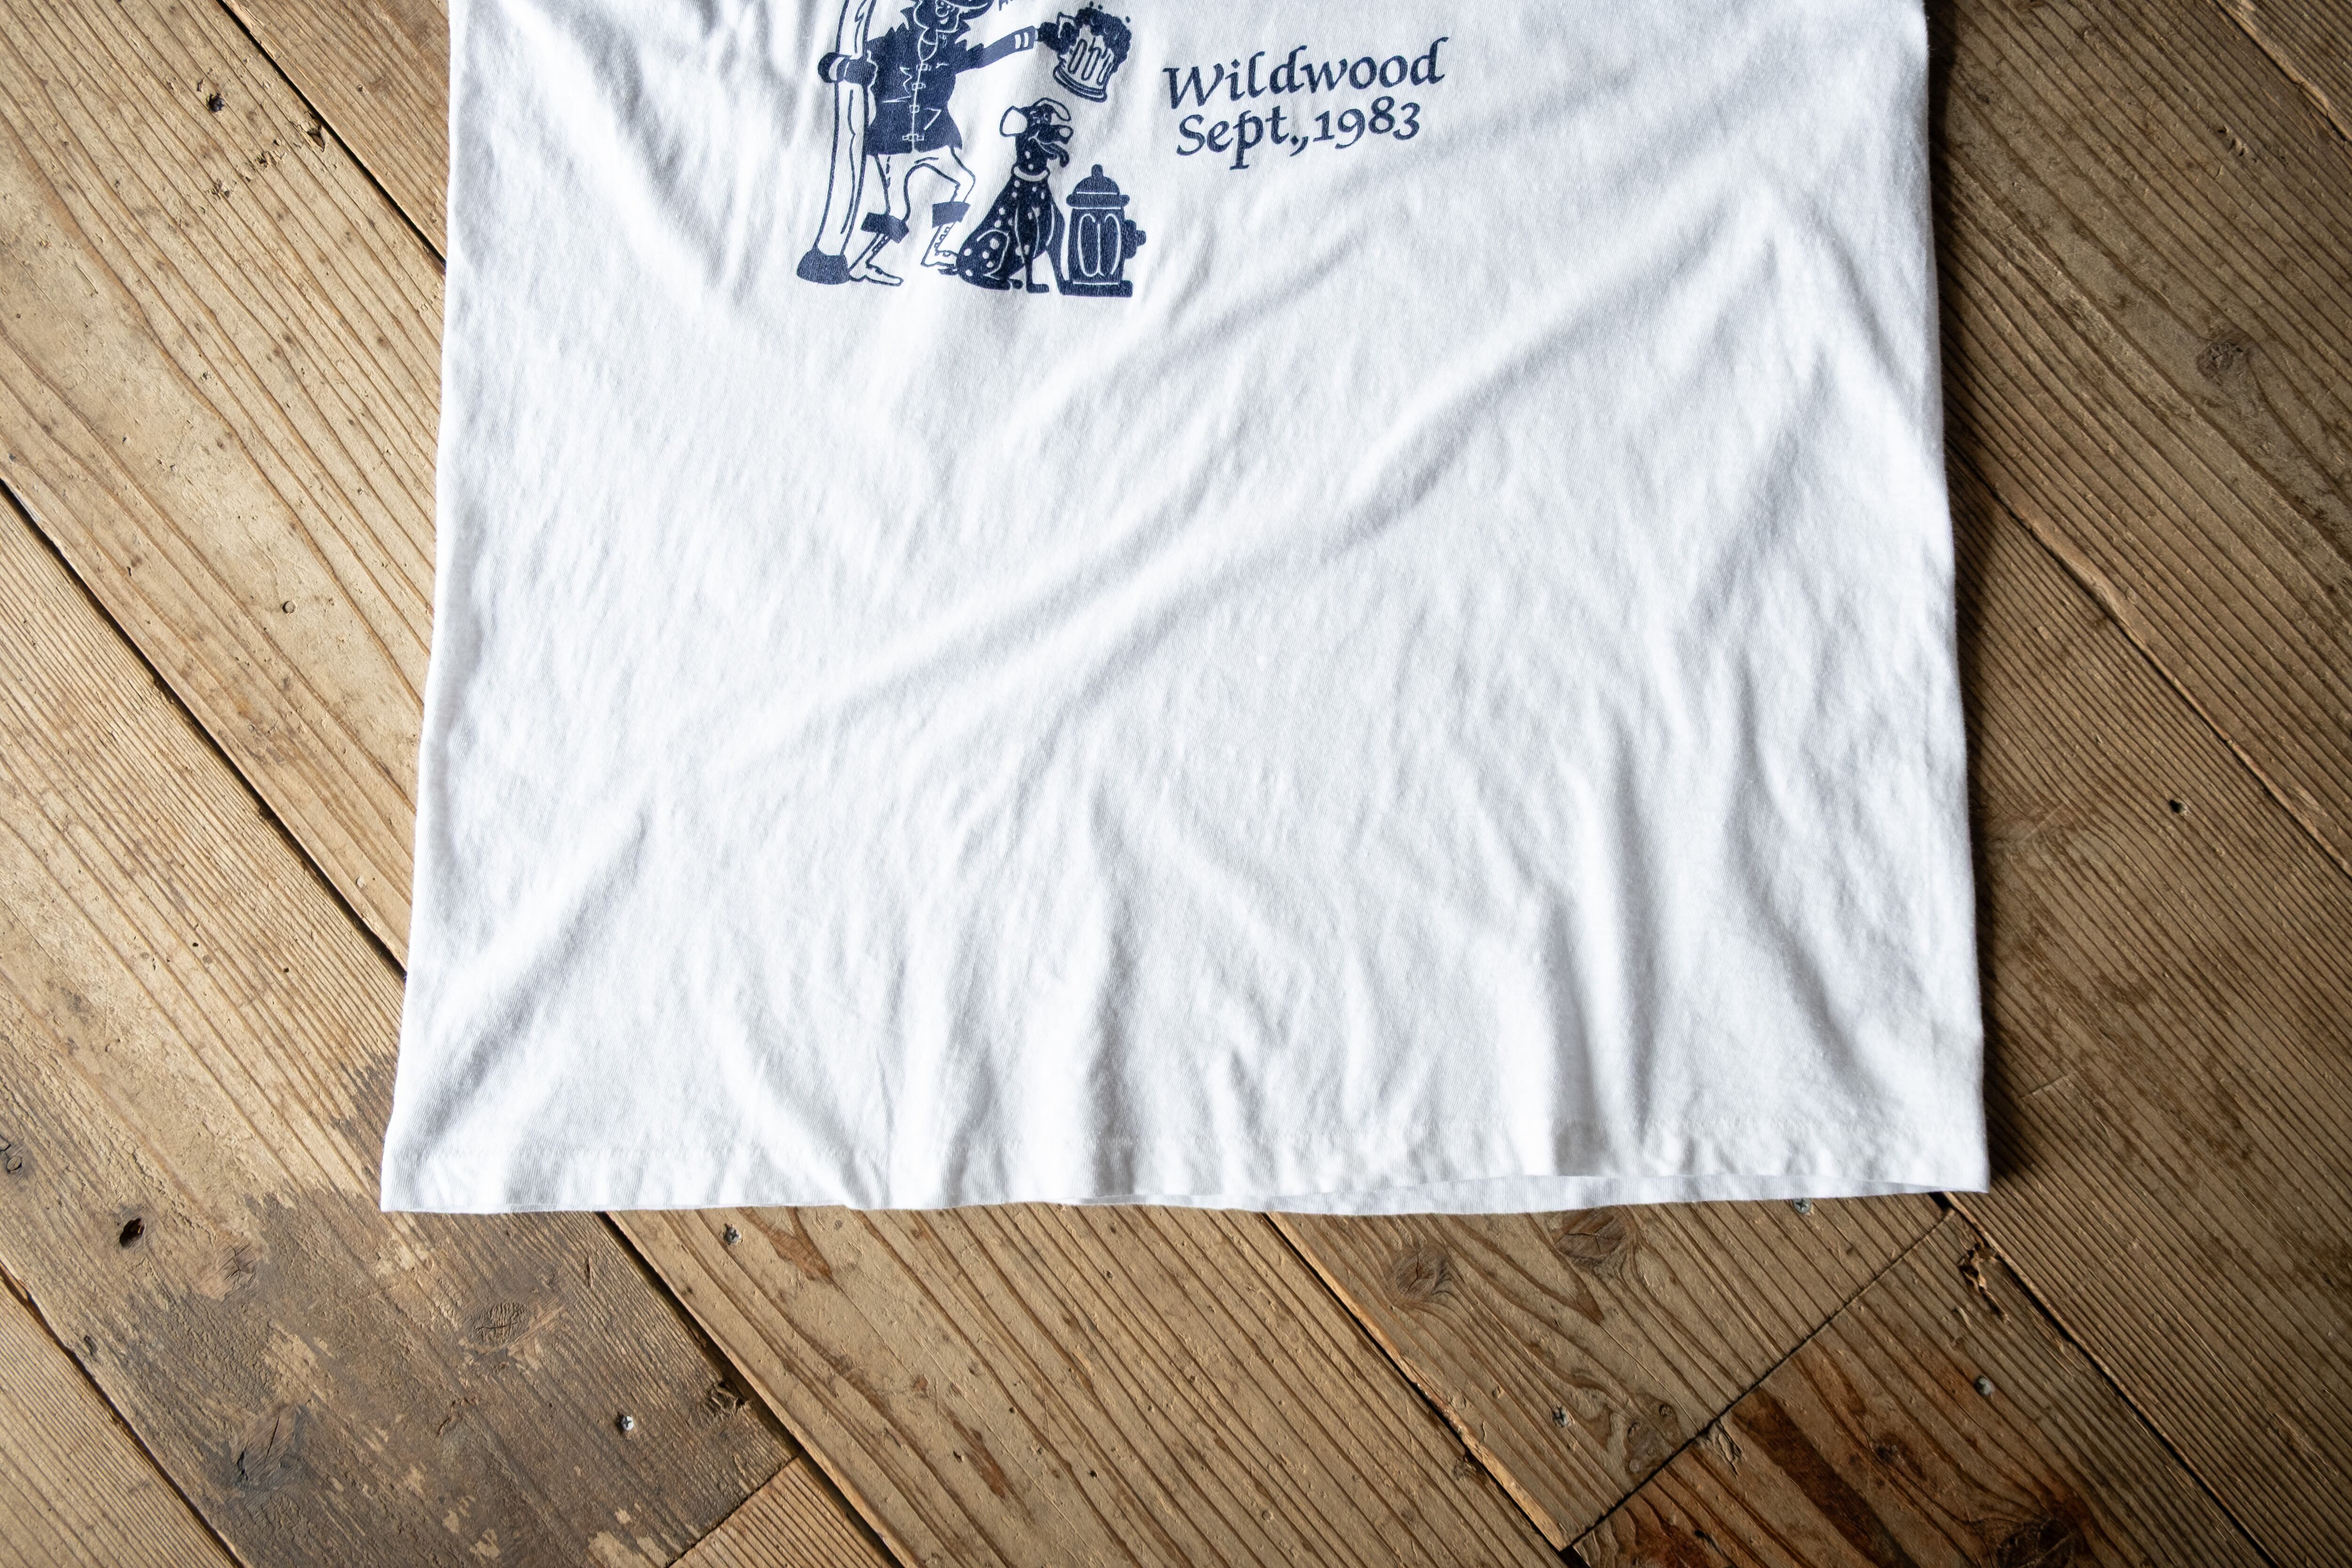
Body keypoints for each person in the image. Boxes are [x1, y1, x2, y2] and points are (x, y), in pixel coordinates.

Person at [819, 0, 1037, 284]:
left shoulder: (951, 51)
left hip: (934, 139)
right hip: (892, 143)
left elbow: (982, 56)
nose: (948, 13)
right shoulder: (893, 43)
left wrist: (1026, 38)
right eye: (942, 5)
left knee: (965, 182)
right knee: (897, 211)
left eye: (955, 10)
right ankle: (862, 262)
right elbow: (833, 66)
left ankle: (934, 247)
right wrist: (846, 69)